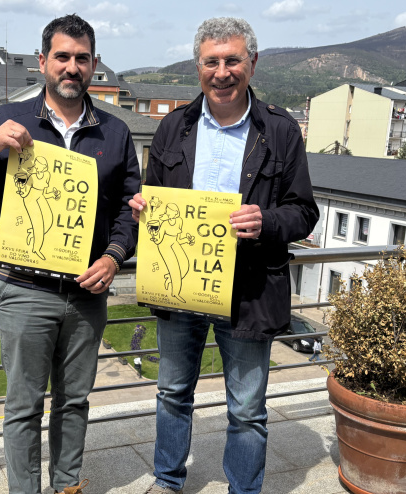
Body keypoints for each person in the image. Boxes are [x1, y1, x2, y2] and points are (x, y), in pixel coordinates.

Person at [129, 17, 319, 494]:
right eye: (211, 61)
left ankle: (243, 490)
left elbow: (304, 212)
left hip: (250, 286)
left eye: (232, 60)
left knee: (248, 410)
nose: (222, 71)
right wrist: (143, 209)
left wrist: (266, 222)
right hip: (182, 284)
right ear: (198, 67)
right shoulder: (173, 127)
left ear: (251, 64)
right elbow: (154, 196)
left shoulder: (280, 131)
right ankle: (168, 481)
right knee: (172, 393)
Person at [0, 14, 139, 494]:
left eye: (81, 58)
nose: (72, 67)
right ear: (43, 62)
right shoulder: (6, 120)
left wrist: (115, 257)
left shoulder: (116, 134)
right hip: (22, 289)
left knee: (75, 401)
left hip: (85, 294)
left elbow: (127, 208)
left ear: (94, 65)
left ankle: (67, 485)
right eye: (62, 56)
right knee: (23, 406)